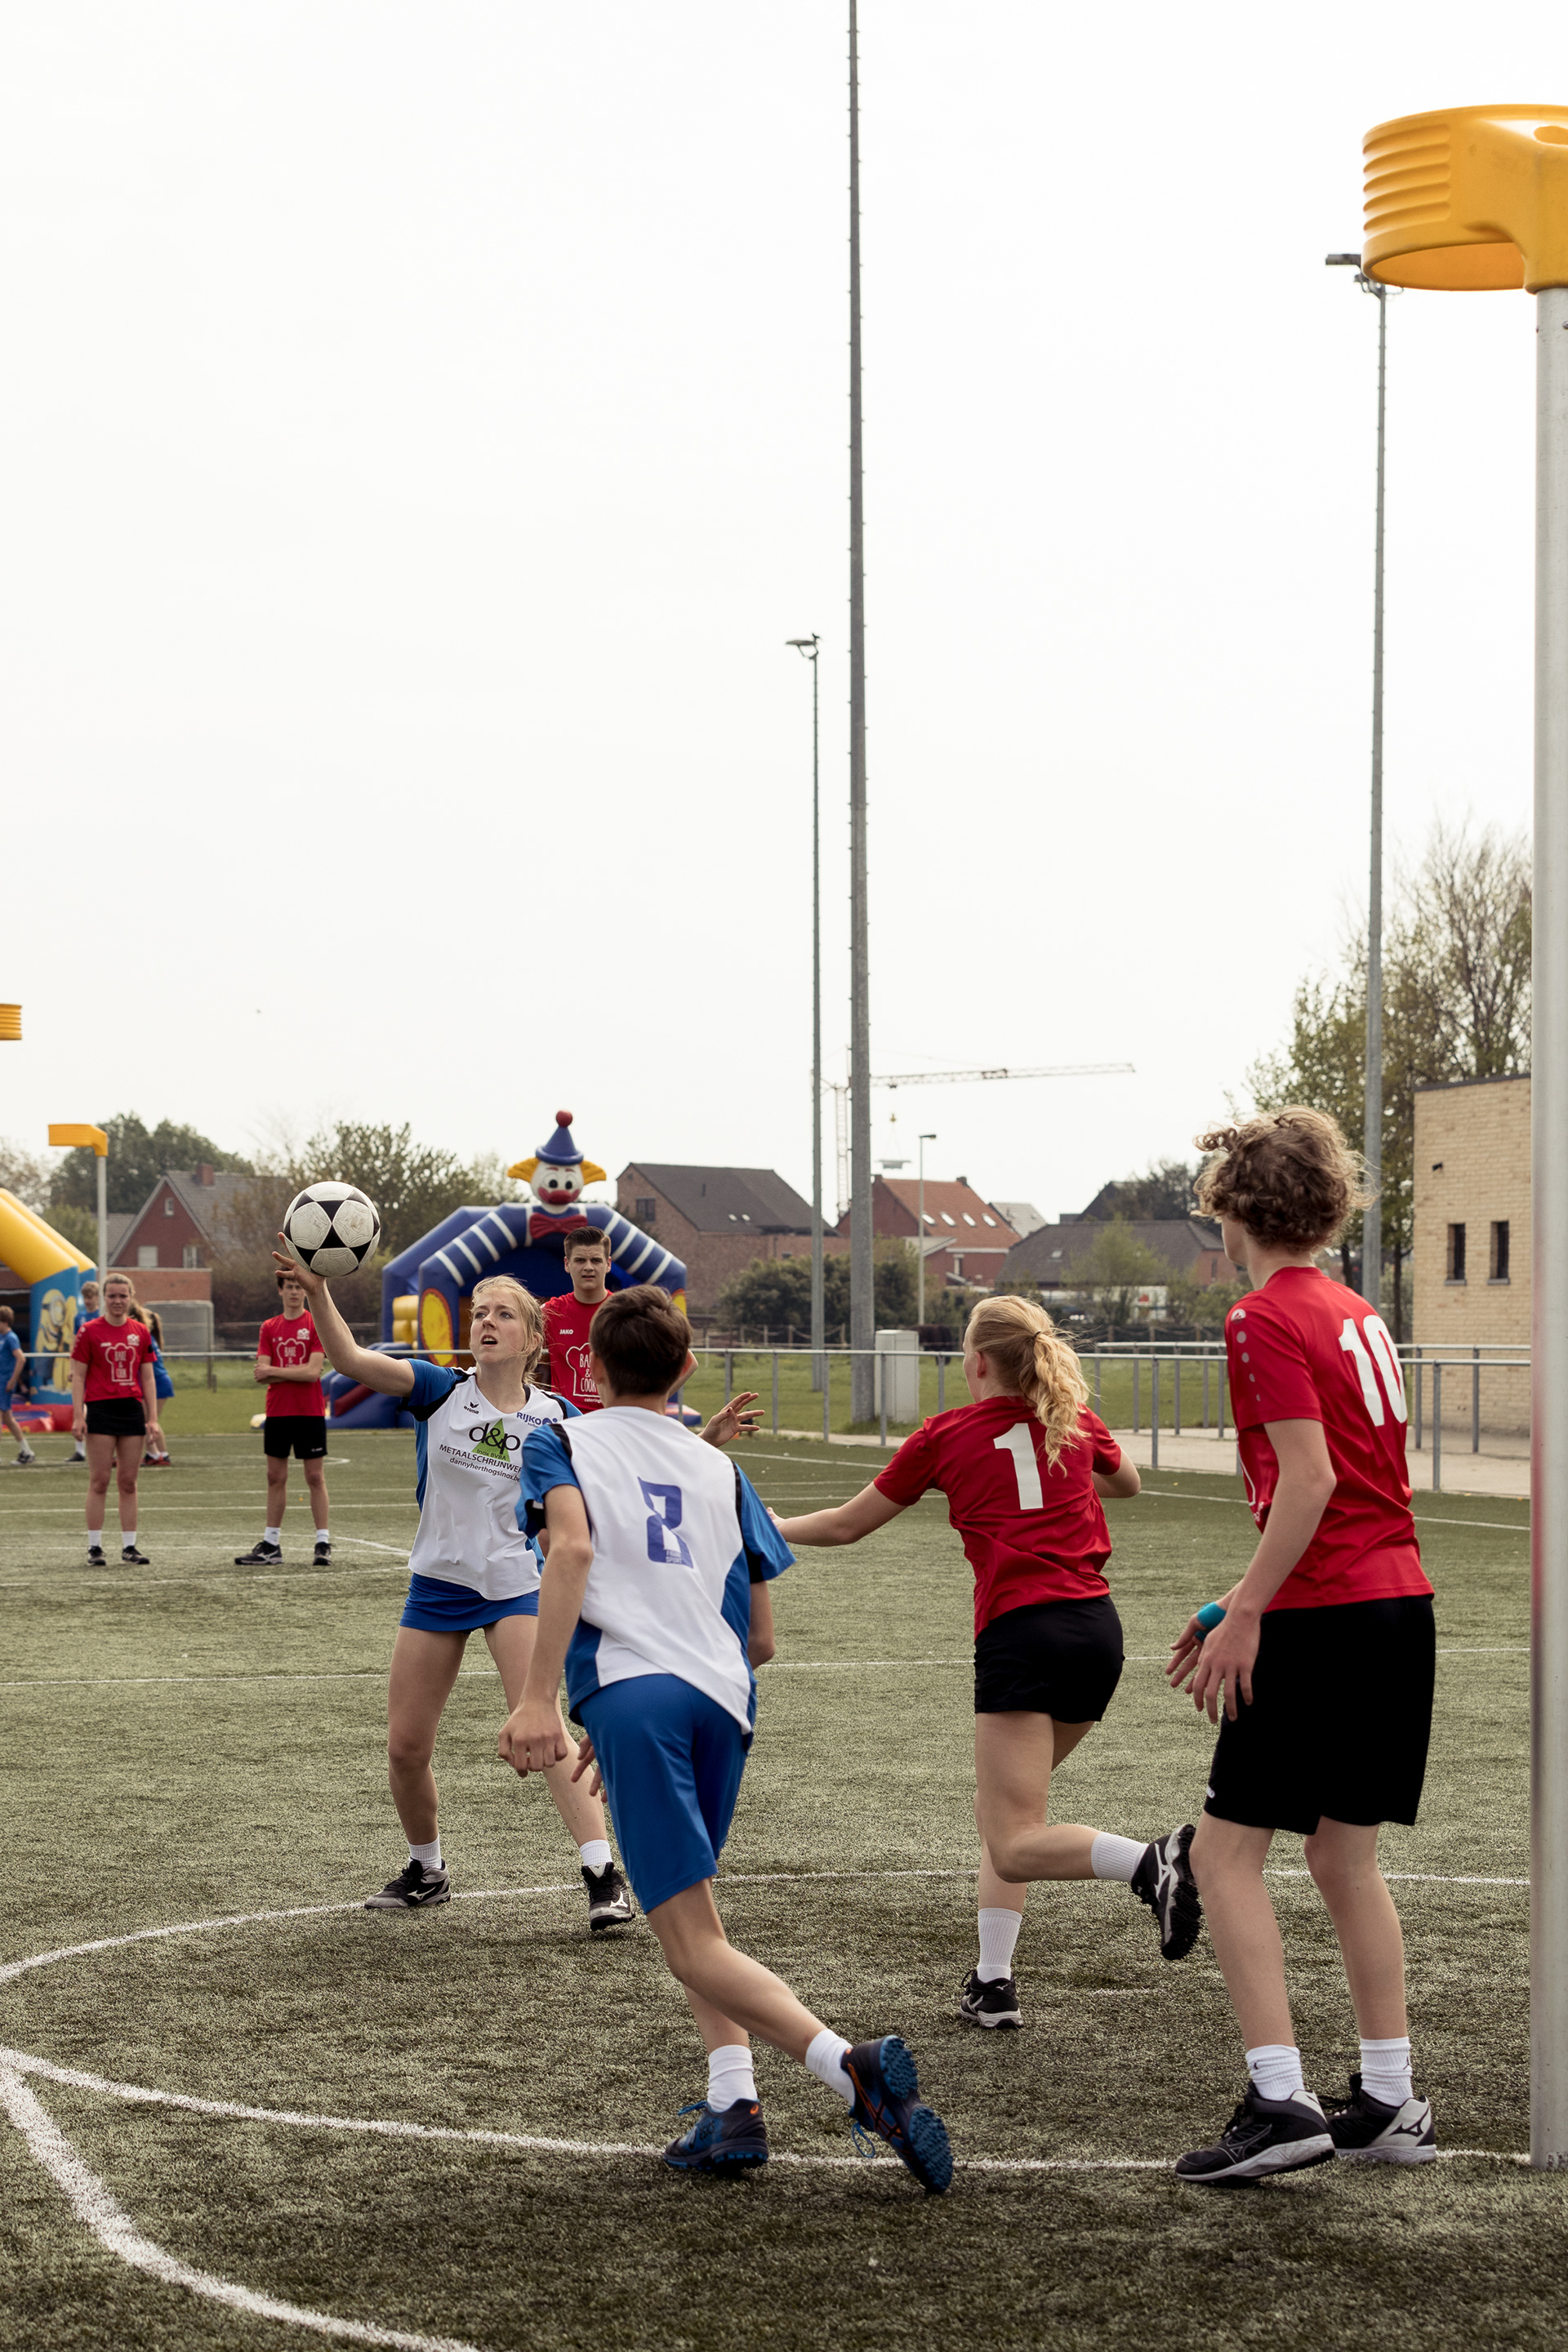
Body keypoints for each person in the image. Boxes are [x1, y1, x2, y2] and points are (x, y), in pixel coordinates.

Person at [501, 1283, 953, 2189]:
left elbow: (573, 1551)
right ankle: (733, 2105)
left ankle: (850, 2069)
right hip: (723, 1700)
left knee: (687, 1938)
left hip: (640, 1697)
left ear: (590, 1367)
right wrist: (641, 1707)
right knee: (694, 1915)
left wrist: (545, 1700)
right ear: (687, 1368)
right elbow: (763, 1639)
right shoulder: (724, 1472)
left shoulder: (561, 1440)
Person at [774, 1292, 1201, 2033]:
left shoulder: (944, 1435)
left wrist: (772, 1524)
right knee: (1004, 1816)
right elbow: (1126, 1482)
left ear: (974, 1361)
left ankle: (1150, 1862)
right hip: (1097, 1633)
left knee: (1014, 1838)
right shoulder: (1072, 1419)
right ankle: (993, 1982)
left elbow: (845, 1527)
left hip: (1022, 1635)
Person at [1165, 1111, 1437, 2185]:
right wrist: (1236, 1599)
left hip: (1324, 1616)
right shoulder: (1358, 1310)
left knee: (1224, 1854)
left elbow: (1313, 1483)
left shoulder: (1261, 1315)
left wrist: (1250, 1616)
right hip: (1396, 1606)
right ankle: (1390, 2098)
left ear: (1235, 1210)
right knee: (1342, 1856)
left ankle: (1280, 2101)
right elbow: (1355, 1494)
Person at [272, 1245, 637, 1931]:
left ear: (532, 1339)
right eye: (479, 1313)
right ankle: (427, 1869)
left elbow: (630, 1463)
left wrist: (707, 1438)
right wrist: (318, 1291)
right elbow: (349, 1358)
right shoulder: (438, 1388)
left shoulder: (560, 1417)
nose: (486, 1322)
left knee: (546, 1730)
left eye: (503, 1314)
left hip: (515, 1587)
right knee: (406, 1747)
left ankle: (603, 1875)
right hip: (437, 1585)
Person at [544, 1228, 761, 1435]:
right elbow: (526, 1359)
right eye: (580, 1260)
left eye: (596, 1260)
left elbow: (688, 1363)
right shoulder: (550, 1312)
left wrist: (645, 1404)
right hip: (569, 1429)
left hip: (620, 1428)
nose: (588, 1267)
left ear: (608, 1264)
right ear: (567, 1264)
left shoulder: (629, 1310)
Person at [234, 1269, 332, 1566]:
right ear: (280, 1290)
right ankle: (271, 1544)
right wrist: (291, 1373)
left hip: (309, 1411)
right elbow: (260, 1375)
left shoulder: (314, 1324)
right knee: (275, 1477)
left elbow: (312, 1373)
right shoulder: (269, 1327)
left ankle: (323, 1543)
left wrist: (275, 1371)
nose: (294, 1292)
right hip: (277, 1411)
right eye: (289, 1286)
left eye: (297, 1287)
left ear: (304, 1291)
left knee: (314, 1477)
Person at [70, 1275, 162, 1566]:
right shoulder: (88, 1331)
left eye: (123, 1296)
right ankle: (94, 1548)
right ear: (104, 1298)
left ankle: (129, 1547)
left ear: (130, 1297)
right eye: (112, 1296)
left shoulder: (141, 1331)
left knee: (128, 1482)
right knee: (100, 1481)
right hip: (100, 1409)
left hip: (131, 1410)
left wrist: (153, 1418)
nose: (118, 1301)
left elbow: (148, 1377)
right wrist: (78, 1416)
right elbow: (78, 1376)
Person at [127, 1300, 175, 1466]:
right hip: (156, 1381)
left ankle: (159, 1455)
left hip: (158, 1382)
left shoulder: (138, 1336)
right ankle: (156, 1453)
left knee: (147, 1421)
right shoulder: (143, 1334)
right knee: (146, 1421)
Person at [68, 1283, 100, 1462]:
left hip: (97, 1369)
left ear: (97, 1297)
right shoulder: (79, 1318)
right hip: (82, 1367)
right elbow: (74, 1344)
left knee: (97, 1406)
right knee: (78, 1404)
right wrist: (72, 1368)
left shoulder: (102, 1316)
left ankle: (103, 1446)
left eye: (91, 1297)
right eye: (85, 1297)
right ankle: (80, 1450)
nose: (88, 1301)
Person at [0, 1307, 34, 1466]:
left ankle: (26, 1451)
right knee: (8, 1418)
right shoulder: (3, 1337)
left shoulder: (11, 1338)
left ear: (5, 1322)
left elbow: (21, 1358)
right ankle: (27, 1451)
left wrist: (13, 1380)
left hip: (4, 1382)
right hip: (2, 1380)